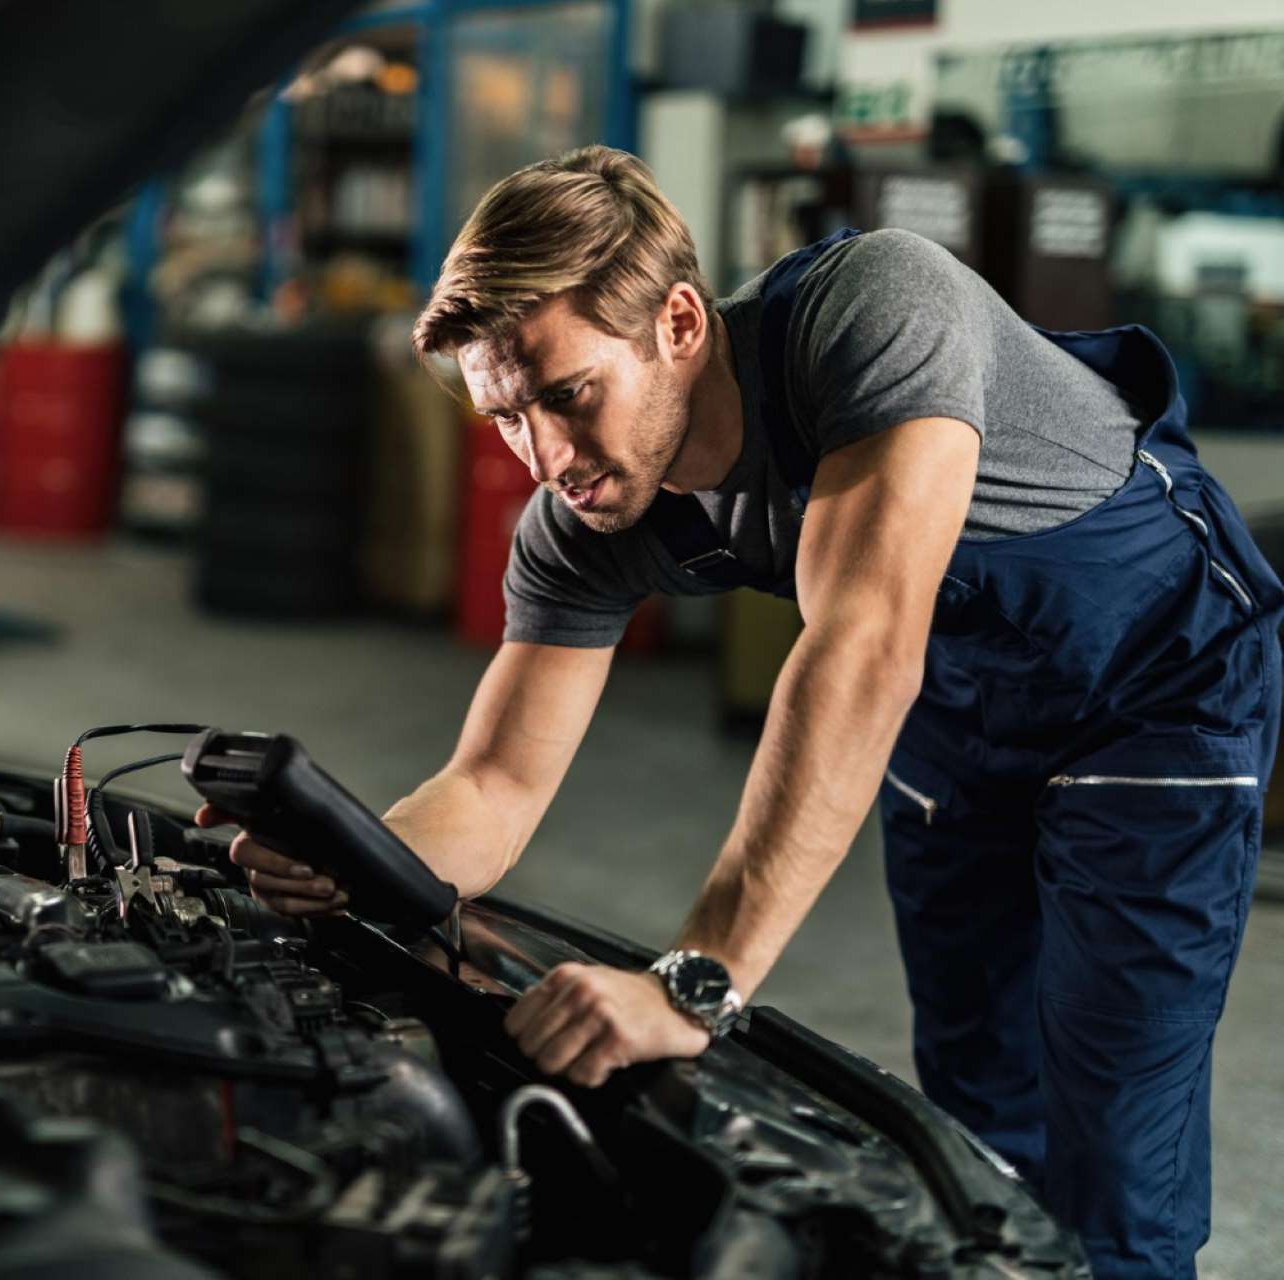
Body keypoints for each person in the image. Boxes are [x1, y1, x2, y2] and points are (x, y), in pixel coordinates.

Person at [199, 145, 1281, 1279]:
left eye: (569, 395)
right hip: (963, 710)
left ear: (676, 322)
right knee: (975, 1110)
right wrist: (353, 856)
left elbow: (862, 644)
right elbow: (494, 786)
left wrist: (694, 981)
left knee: (1113, 1140)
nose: (547, 457)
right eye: (508, 417)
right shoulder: (582, 519)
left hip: (1158, 685)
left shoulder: (873, 310)